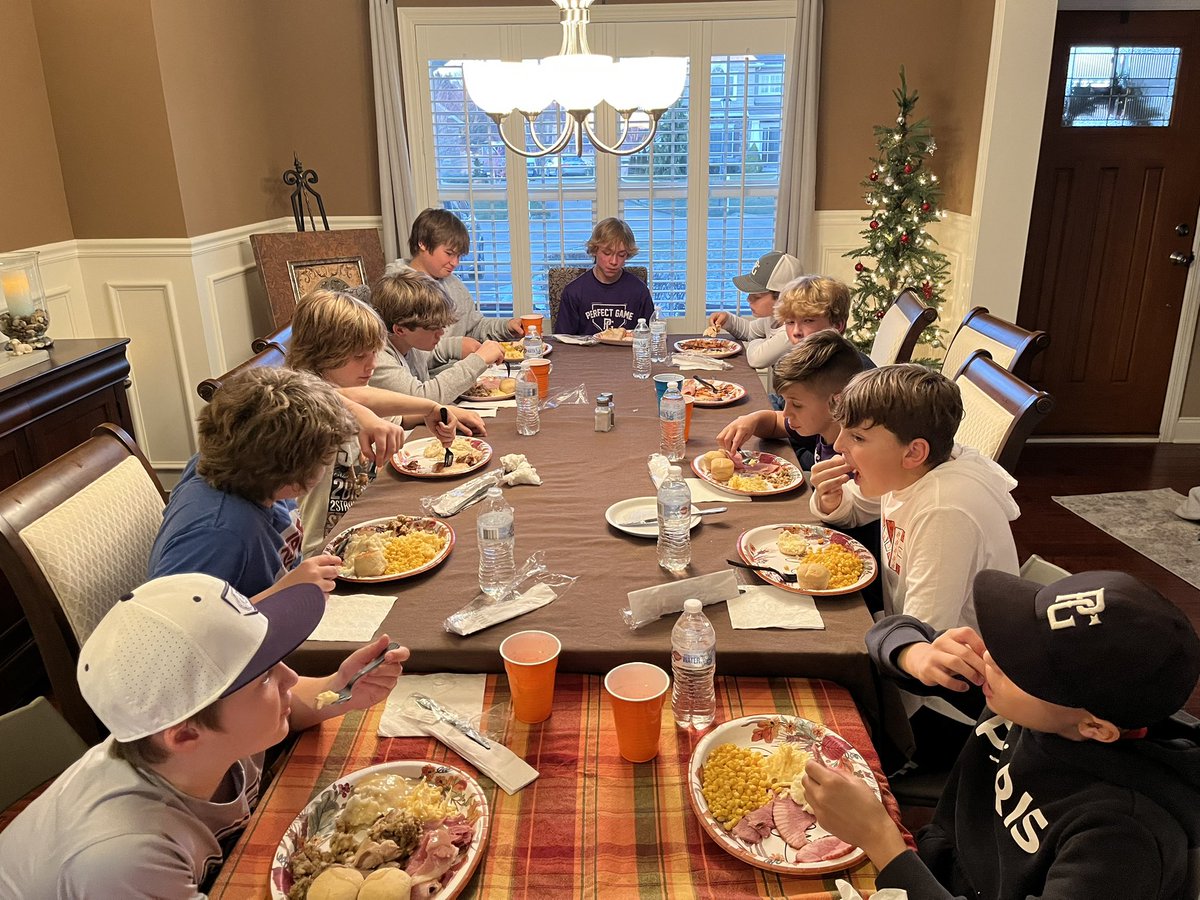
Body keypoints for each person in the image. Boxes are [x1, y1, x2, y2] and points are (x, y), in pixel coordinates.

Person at [0, 573, 410, 897]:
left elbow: (293, 703)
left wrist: (339, 687)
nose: (289, 676)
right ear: (184, 736)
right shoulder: (125, 857)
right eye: (264, 678)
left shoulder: (211, 739)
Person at [803, 568, 1200, 900]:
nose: (992, 658)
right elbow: (888, 632)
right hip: (930, 866)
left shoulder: (1125, 841)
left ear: (1096, 728)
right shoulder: (1036, 705)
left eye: (1021, 666)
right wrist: (916, 654)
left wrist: (879, 837)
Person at [809, 364, 1020, 763]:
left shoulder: (945, 509)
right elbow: (855, 508)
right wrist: (831, 499)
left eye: (856, 437)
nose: (839, 447)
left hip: (952, 705)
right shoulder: (911, 472)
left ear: (914, 451)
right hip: (898, 645)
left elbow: (921, 641)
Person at [148, 366, 358, 600]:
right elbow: (170, 628)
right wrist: (282, 592)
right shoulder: (217, 534)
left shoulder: (229, 462)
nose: (329, 462)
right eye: (326, 457)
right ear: (290, 473)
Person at [286, 288, 460, 555]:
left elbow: (363, 398)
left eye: (374, 353)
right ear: (319, 352)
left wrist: (430, 408)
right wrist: (365, 413)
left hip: (362, 532)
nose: (372, 365)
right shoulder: (297, 411)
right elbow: (320, 397)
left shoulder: (348, 388)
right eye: (359, 356)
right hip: (321, 554)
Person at [386, 207, 522, 371]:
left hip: (464, 372)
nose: (455, 262)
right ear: (422, 243)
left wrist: (506, 327)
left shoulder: (451, 282)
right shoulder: (400, 291)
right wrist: (456, 347)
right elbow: (412, 357)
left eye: (459, 256)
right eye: (449, 253)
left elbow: (473, 326)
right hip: (432, 382)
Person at [716, 329, 867, 470]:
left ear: (838, 402)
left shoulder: (853, 463)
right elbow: (775, 423)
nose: (786, 413)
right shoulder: (824, 423)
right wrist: (750, 421)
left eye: (796, 405)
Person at [368, 269, 504, 413]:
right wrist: (479, 360)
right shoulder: (377, 359)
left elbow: (428, 355)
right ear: (400, 330)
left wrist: (456, 346)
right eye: (433, 328)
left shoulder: (407, 343)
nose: (441, 333)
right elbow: (423, 399)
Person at [555, 217, 654, 336]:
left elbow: (651, 338)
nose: (613, 261)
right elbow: (563, 343)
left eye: (621, 255)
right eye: (607, 253)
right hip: (586, 354)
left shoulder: (639, 291)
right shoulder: (573, 292)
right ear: (595, 250)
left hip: (627, 353)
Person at [704, 250, 804, 369]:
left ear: (784, 297)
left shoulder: (793, 331)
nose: (748, 299)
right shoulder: (775, 316)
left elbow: (756, 360)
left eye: (756, 296)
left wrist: (759, 341)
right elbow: (750, 331)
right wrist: (727, 319)